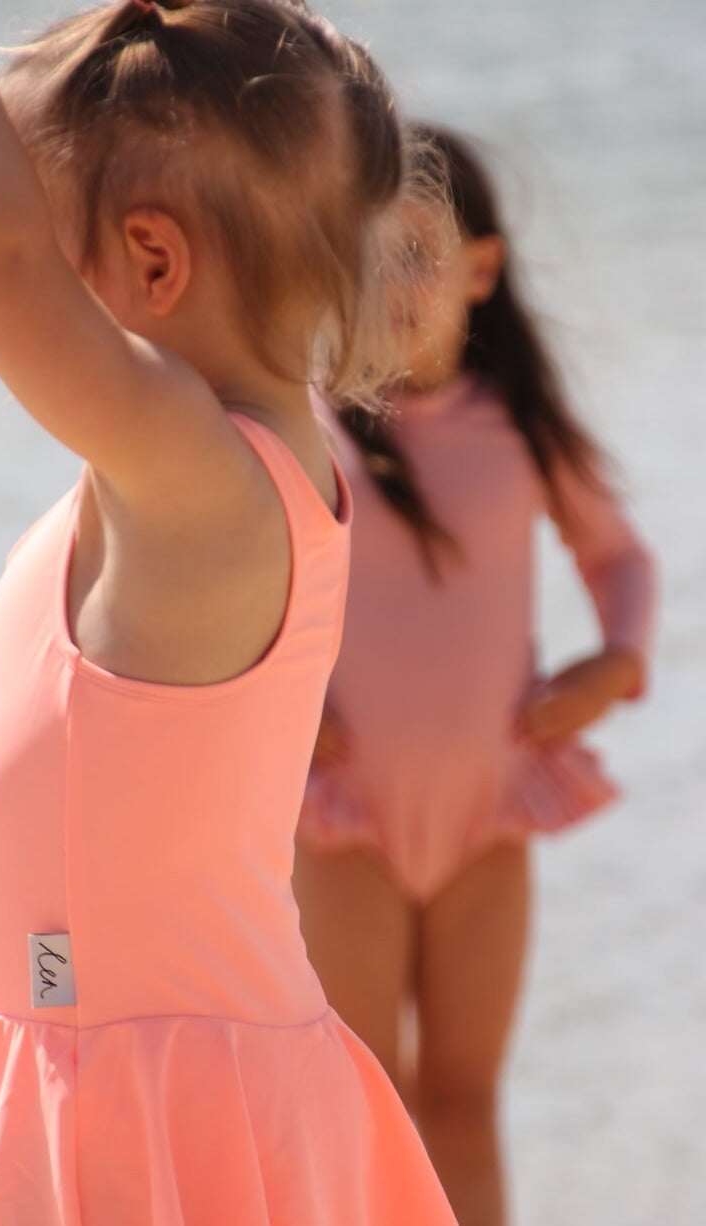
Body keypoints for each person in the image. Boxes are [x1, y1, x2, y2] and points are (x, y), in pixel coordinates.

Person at [0, 1, 457, 1222]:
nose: (38, 301)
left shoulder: (205, 488)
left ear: (150, 261)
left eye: (52, 228)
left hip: (137, 1111)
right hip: (168, 1073)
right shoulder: (240, 470)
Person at [294, 123, 657, 1226]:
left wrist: (615, 663)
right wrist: (280, 711)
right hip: (342, 819)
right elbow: (227, 584)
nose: (395, 285)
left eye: (422, 254)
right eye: (370, 257)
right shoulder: (306, 427)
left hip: (488, 813)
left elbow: (617, 554)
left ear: (483, 270)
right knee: (364, 1102)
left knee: (463, 1099)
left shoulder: (521, 425)